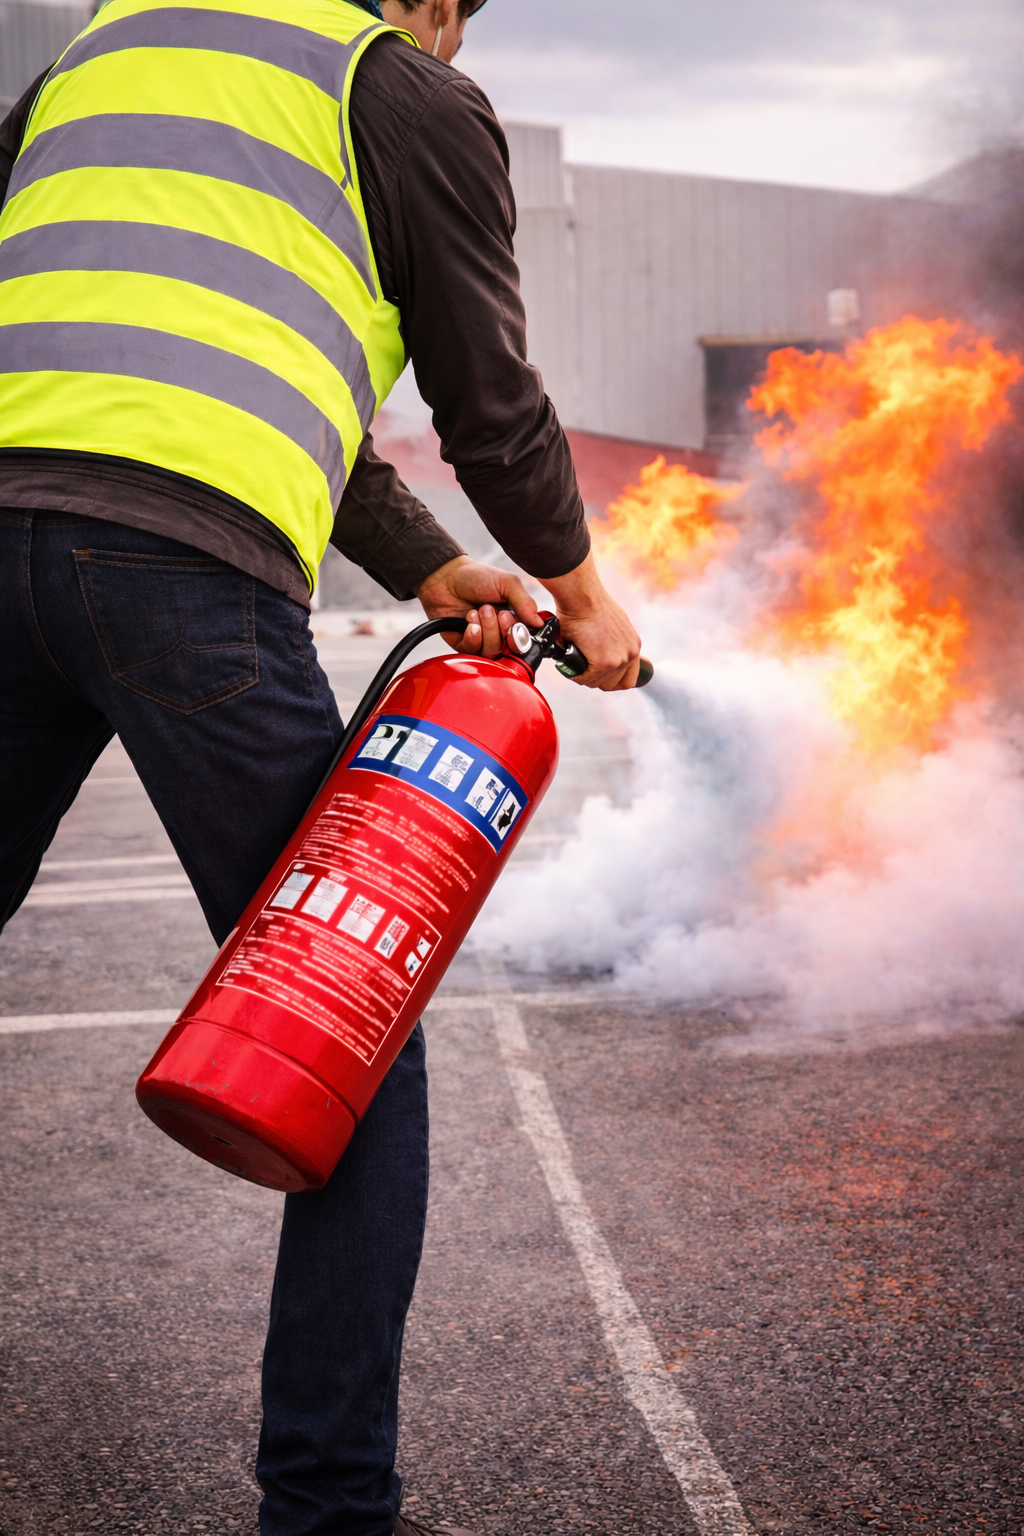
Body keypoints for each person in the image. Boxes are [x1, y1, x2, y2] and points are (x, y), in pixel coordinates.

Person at [0, 0, 642, 1531]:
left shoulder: (97, 57)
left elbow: (170, 364)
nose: (452, 46)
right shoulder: (388, 84)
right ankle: (331, 1504)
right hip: (180, 579)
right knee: (341, 1023)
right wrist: (584, 591)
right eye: (454, 18)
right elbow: (489, 394)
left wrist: (427, 569)